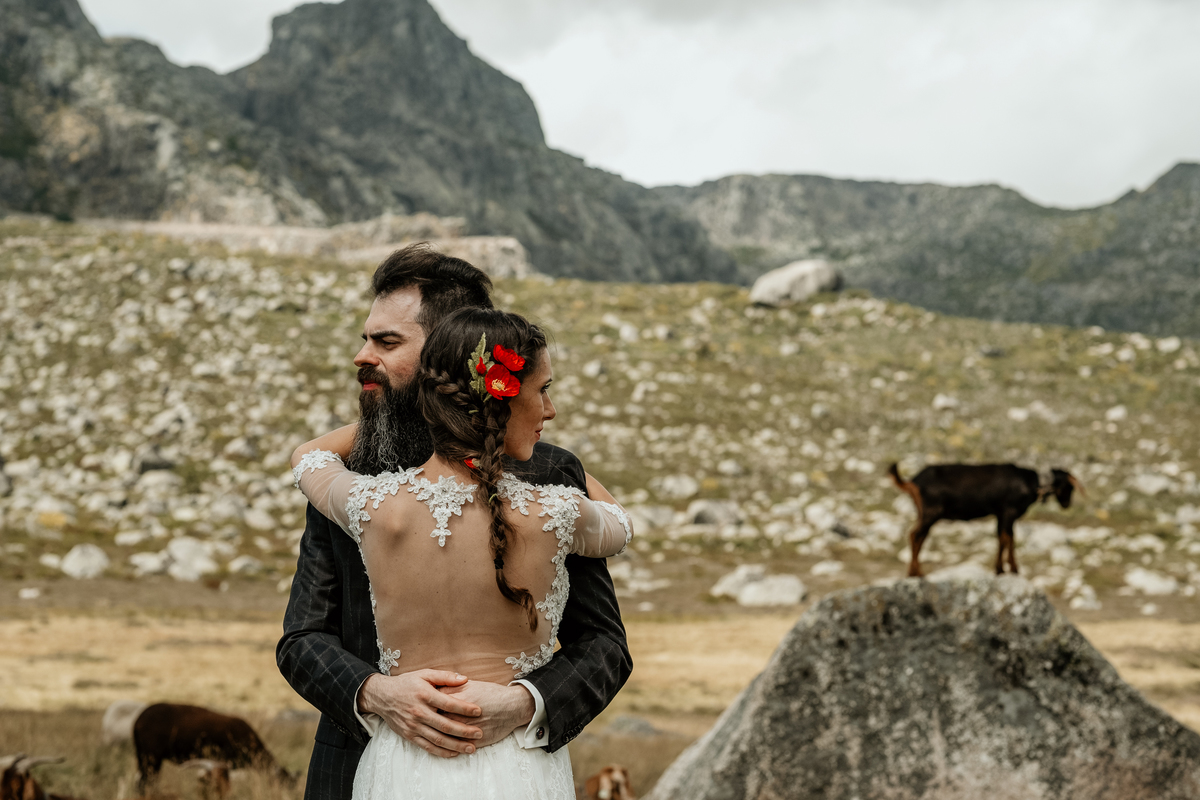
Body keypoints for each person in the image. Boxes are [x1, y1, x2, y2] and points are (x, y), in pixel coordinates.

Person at [277, 245, 631, 798]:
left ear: (451, 347)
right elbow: (301, 638)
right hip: (355, 768)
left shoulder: (551, 470)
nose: (361, 356)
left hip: (512, 761)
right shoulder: (355, 470)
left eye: (386, 342)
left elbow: (605, 646)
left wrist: (522, 703)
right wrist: (377, 693)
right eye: (366, 337)